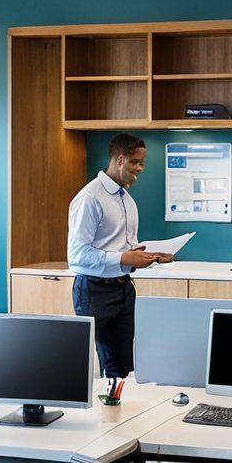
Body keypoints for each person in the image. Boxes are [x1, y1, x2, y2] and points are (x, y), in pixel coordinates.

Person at [67, 133, 173, 379]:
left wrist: (150, 257)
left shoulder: (128, 201)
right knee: (87, 364)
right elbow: (77, 255)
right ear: (120, 159)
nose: (140, 168)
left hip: (123, 288)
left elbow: (126, 249)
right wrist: (124, 259)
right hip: (93, 291)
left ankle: (119, 403)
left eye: (142, 163)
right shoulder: (90, 198)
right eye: (135, 162)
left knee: (125, 367)